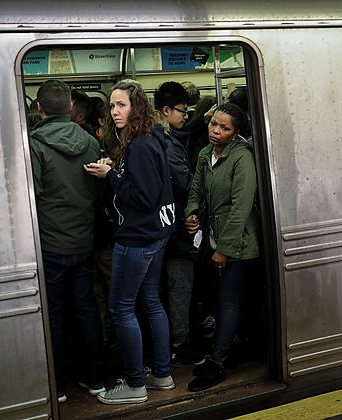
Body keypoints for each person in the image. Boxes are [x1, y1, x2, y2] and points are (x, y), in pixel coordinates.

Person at [85, 79, 176, 405]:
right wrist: (116, 171)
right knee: (151, 302)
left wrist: (109, 177)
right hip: (158, 233)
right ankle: (162, 374)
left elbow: (142, 197)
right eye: (111, 106)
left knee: (121, 308)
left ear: (136, 107)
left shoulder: (138, 145)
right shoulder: (149, 138)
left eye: (121, 105)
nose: (114, 111)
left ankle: (136, 384)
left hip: (138, 237)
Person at [29, 80, 104, 402]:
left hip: (50, 245)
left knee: (55, 315)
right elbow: (98, 190)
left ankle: (58, 386)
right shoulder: (90, 141)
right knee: (87, 310)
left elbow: (33, 197)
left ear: (39, 109)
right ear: (71, 106)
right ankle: (97, 379)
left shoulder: (33, 145)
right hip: (84, 241)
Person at [184, 103, 260, 392]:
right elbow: (195, 189)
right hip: (215, 237)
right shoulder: (206, 154)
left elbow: (241, 207)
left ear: (236, 132)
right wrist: (192, 213)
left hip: (238, 243)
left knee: (228, 300)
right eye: (213, 124)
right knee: (219, 299)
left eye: (224, 128)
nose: (216, 131)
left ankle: (217, 362)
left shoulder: (242, 158)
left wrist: (224, 248)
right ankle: (225, 349)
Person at [154, 81, 205, 366]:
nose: (185, 117)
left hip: (164, 227)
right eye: (182, 111)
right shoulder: (168, 145)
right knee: (179, 285)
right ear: (166, 110)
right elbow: (185, 182)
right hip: (176, 226)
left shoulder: (162, 136)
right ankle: (178, 345)